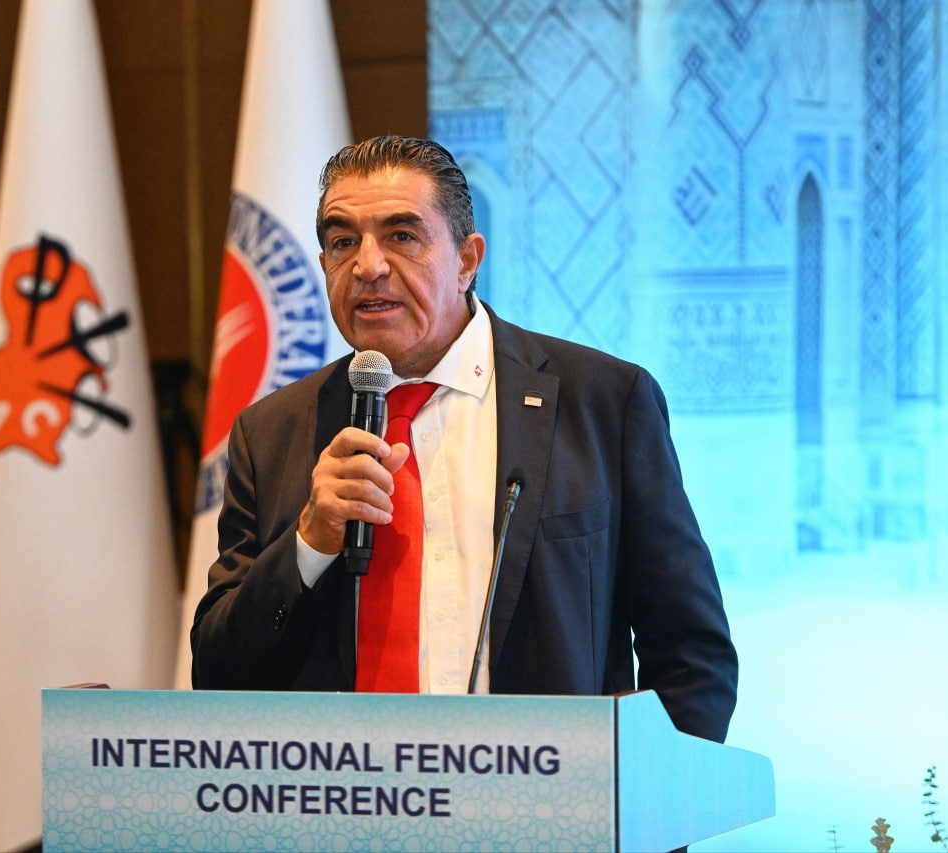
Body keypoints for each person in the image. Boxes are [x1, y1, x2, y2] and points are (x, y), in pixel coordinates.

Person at [192, 136, 737, 743]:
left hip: (545, 792)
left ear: (467, 260)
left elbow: (692, 657)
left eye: (402, 235)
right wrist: (309, 543)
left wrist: (642, 793)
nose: (368, 266)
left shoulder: (604, 404)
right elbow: (218, 675)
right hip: (343, 793)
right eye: (343, 242)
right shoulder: (271, 433)